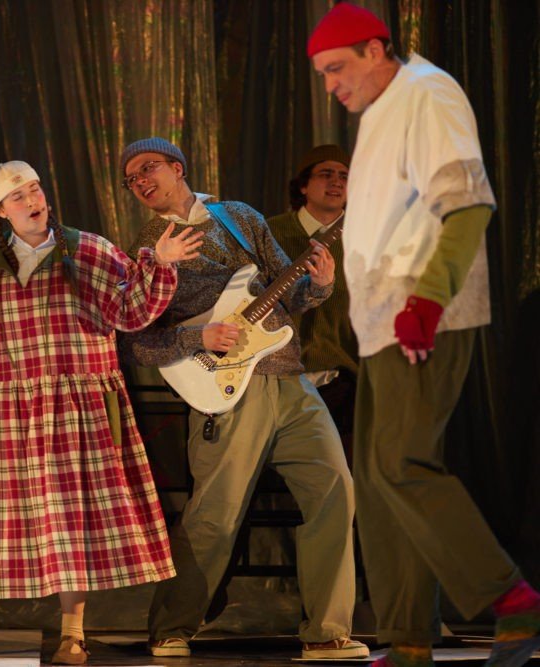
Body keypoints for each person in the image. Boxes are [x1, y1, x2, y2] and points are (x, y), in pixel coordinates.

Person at [0, 160, 202, 665]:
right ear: (0, 211)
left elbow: (130, 312)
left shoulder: (88, 250)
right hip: (5, 410)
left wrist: (159, 264)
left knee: (71, 520)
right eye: (19, 196)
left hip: (77, 407)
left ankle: (73, 634)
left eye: (35, 189)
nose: (33, 201)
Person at [308, 4, 540, 666]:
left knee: (402, 462)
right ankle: (408, 640)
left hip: (421, 313)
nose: (331, 85)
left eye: (337, 68)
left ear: (375, 49)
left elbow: (466, 204)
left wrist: (428, 301)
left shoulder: (427, 93)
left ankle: (512, 597)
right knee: (379, 480)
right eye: (323, 75)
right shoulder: (382, 111)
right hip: (382, 322)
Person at [116, 137, 368, 661]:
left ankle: (326, 632)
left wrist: (318, 285)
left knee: (336, 491)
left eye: (148, 167)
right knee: (215, 514)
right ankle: (172, 627)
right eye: (131, 178)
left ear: (177, 167)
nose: (140, 181)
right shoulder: (148, 246)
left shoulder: (239, 217)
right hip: (226, 390)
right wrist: (197, 338)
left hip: (290, 379)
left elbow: (287, 291)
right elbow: (137, 341)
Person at [266, 144, 358, 460]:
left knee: (341, 472)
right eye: (325, 174)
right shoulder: (270, 232)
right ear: (304, 185)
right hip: (275, 379)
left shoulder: (363, 239)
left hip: (340, 382)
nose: (336, 182)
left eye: (344, 176)